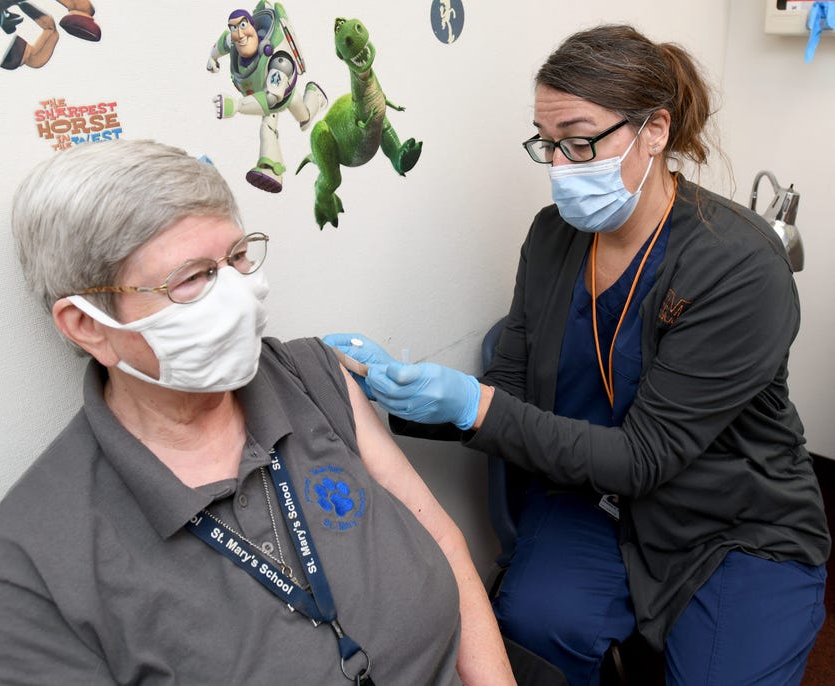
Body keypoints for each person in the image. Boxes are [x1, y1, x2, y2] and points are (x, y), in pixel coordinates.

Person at [326, 24, 831, 686]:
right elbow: (511, 390)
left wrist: (471, 405)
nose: (561, 167)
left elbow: (644, 457)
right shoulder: (551, 239)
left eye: (581, 141)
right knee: (532, 632)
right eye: (549, 143)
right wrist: (400, 390)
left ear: (655, 130)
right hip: (590, 501)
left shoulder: (736, 265)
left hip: (731, 523)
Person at [0, 139, 516, 685]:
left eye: (237, 257)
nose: (239, 293)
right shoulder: (29, 561)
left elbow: (443, 543)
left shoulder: (310, 376)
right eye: (192, 277)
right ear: (89, 325)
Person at [206, 3, 326, 193]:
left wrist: (237, 106)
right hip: (264, 93)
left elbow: (270, 100)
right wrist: (213, 58)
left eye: (243, 26)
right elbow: (222, 43)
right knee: (302, 119)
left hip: (277, 96)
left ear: (252, 26)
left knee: (270, 127)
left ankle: (271, 168)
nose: (239, 34)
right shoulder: (235, 41)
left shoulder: (279, 60)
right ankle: (312, 101)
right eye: (234, 28)